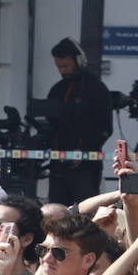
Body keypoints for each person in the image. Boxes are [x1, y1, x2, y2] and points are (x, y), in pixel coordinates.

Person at [45, 38, 112, 205]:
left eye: (66, 66)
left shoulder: (96, 89)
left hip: (86, 168)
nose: (62, 71)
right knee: (57, 211)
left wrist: (84, 151)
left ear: (79, 62)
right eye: (59, 67)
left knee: (87, 211)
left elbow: (104, 128)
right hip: (58, 166)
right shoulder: (57, 90)